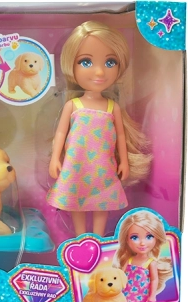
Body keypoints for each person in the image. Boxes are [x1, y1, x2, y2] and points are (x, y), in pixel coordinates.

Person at [47, 21, 151, 236]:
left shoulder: (112, 107)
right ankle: (79, 238)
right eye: (85, 62)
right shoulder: (73, 105)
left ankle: (98, 238)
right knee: (75, 201)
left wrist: (124, 161)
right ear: (71, 65)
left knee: (102, 202)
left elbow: (121, 135)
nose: (100, 71)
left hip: (103, 167)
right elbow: (61, 133)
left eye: (110, 62)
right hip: (76, 165)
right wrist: (55, 158)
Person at [113, 210, 173, 302]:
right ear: (127, 240)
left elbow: (154, 280)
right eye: (134, 237)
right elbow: (121, 275)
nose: (142, 243)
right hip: (125, 294)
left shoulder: (151, 263)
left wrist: (152, 296)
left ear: (156, 238)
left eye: (149, 237)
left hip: (142, 296)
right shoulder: (129, 260)